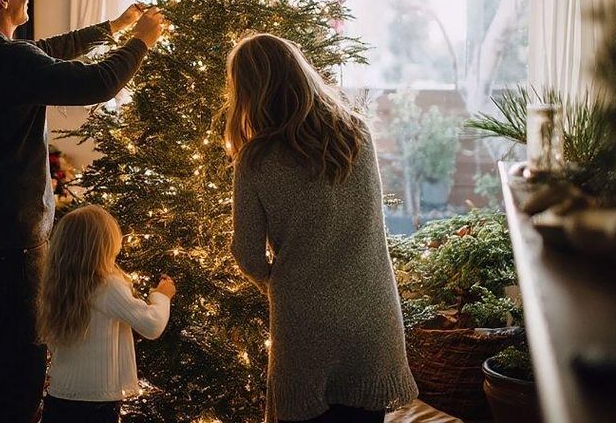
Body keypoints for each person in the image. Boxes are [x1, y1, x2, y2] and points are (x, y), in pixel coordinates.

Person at [0, 0, 166, 423]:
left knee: (3, 355)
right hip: (10, 240)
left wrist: (114, 28)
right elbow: (95, 85)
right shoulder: (3, 61)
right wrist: (143, 41)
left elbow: (45, 52)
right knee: (22, 366)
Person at [223, 33, 418, 423]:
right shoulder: (356, 133)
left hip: (305, 322)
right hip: (372, 313)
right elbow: (368, 221)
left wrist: (279, 284)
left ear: (248, 91)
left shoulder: (256, 159)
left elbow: (246, 253)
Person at [37, 205, 176, 423]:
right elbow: (152, 325)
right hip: (96, 402)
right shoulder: (106, 285)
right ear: (105, 245)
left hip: (59, 394)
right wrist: (162, 295)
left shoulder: (57, 284)